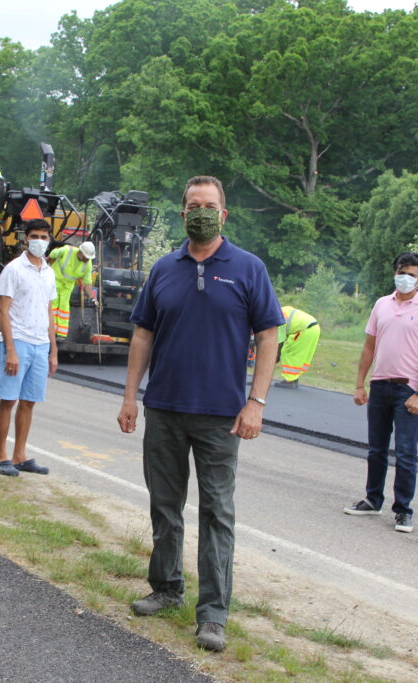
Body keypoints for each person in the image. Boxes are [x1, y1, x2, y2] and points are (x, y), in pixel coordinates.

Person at [117, 175, 284, 653]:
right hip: (164, 408)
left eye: (209, 205)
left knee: (217, 514)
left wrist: (256, 402)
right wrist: (130, 396)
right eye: (193, 205)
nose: (201, 211)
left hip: (220, 417)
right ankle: (166, 589)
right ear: (182, 212)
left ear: (223, 214)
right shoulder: (163, 269)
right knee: (165, 507)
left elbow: (268, 336)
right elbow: (143, 335)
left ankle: (212, 615)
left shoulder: (248, 269)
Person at [345, 252, 418, 533]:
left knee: (406, 452)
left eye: (412, 274)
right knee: (376, 449)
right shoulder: (381, 305)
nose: (405, 277)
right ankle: (372, 499)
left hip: (407, 388)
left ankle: (403, 510)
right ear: (394, 272)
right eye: (402, 271)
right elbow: (369, 347)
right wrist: (360, 384)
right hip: (380, 384)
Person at [0, 219, 58, 477]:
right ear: (25, 238)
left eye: (43, 236)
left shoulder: (49, 272)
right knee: (9, 398)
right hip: (17, 340)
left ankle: (20, 455)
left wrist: (53, 350)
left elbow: (49, 312)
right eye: (34, 236)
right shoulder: (13, 269)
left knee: (29, 401)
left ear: (49, 240)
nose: (39, 241)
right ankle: (1, 456)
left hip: (40, 344)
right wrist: (10, 349)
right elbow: (2, 310)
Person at [47, 241, 96, 340]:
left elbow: (87, 282)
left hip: (68, 285)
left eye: (89, 258)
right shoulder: (67, 250)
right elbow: (52, 254)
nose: (87, 259)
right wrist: (46, 266)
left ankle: (61, 334)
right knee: (53, 305)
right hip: (55, 280)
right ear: (80, 252)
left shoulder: (88, 263)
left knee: (64, 308)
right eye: (86, 257)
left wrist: (93, 297)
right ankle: (51, 332)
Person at [274, 305, 321, 388]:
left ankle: (289, 381)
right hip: (315, 328)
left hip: (304, 329)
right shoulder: (282, 310)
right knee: (300, 355)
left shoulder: (275, 317)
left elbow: (279, 340)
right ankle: (294, 379)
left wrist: (277, 355)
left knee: (289, 353)